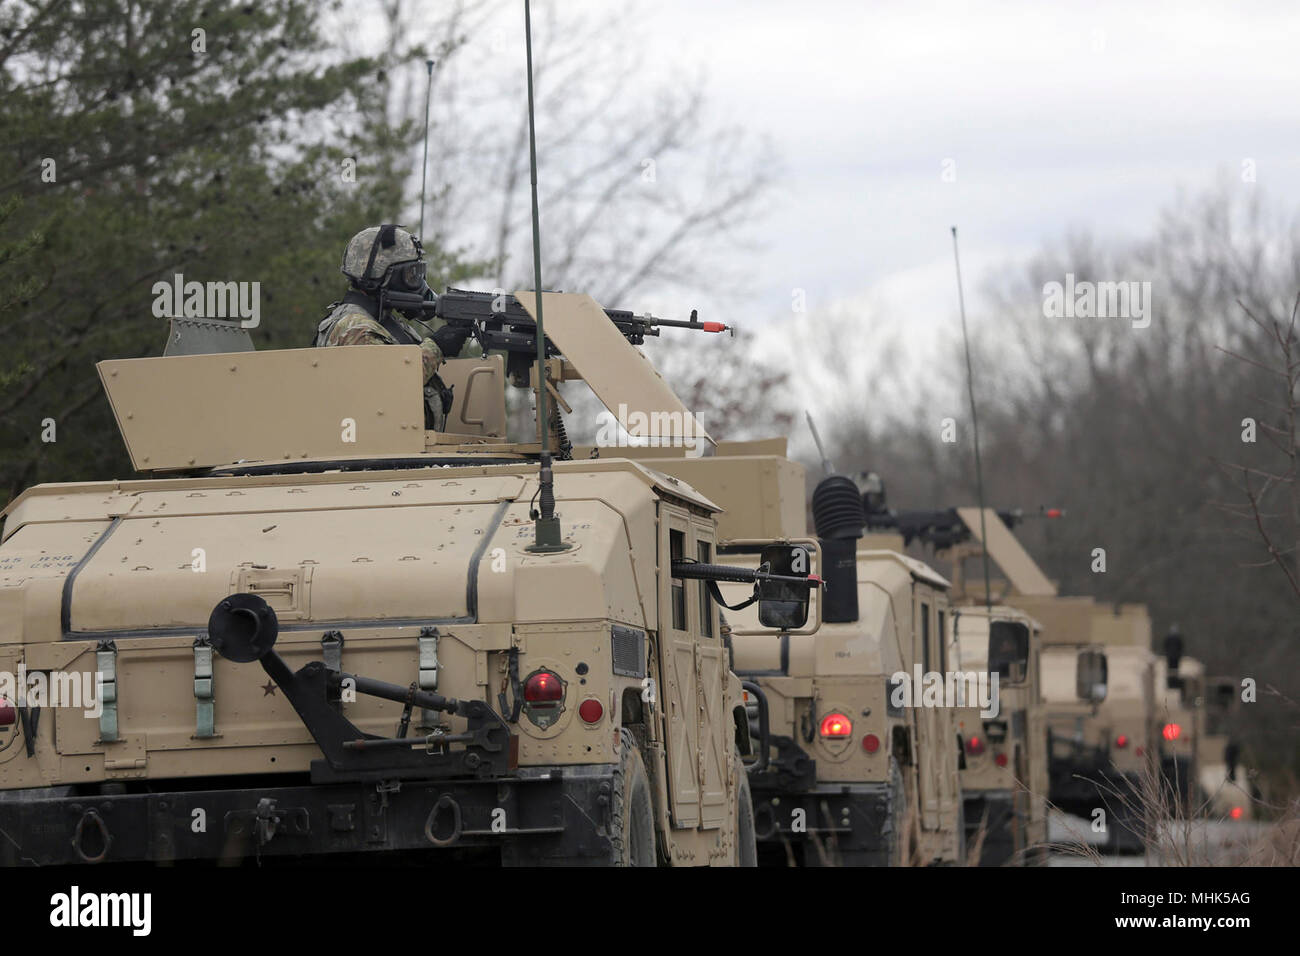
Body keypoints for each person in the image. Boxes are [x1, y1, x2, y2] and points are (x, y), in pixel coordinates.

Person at [314, 224, 470, 429]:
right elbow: (384, 389)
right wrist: (437, 347)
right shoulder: (354, 328)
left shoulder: (381, 321)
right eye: (411, 276)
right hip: (371, 453)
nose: (419, 285)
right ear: (381, 276)